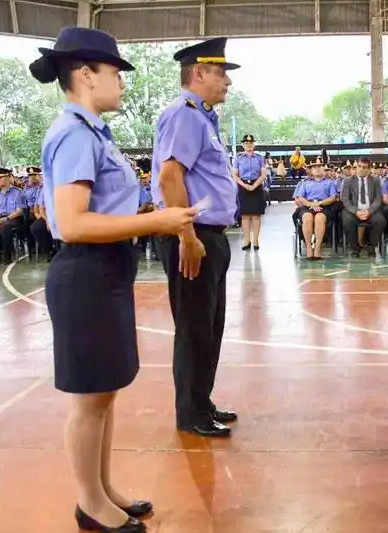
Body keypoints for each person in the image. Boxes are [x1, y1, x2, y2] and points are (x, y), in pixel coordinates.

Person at [31, 26, 196, 532]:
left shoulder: (91, 132)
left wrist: (144, 214)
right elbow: (73, 222)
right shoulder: (75, 134)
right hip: (85, 271)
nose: (121, 83)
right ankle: (89, 503)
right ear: (85, 74)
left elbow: (86, 207)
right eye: (114, 73)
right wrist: (156, 221)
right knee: (88, 400)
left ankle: (102, 490)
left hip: (104, 268)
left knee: (103, 392)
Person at [151, 37, 240, 438]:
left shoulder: (202, 117)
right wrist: (186, 235)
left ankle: (201, 401)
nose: (227, 82)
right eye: (221, 73)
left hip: (210, 235)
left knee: (209, 325)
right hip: (193, 235)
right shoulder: (184, 115)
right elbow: (171, 176)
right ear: (199, 72)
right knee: (194, 326)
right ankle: (191, 413)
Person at [341, 157, 386, 257]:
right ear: (356, 167)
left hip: (370, 210)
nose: (361, 169)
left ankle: (371, 245)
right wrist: (356, 212)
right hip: (354, 210)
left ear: (369, 169)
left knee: (379, 220)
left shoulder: (375, 181)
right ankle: (354, 247)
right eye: (359, 166)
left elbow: (378, 199)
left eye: (364, 167)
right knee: (347, 220)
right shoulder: (348, 181)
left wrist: (369, 211)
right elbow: (345, 200)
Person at [233, 134, 267, 251]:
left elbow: (263, 175)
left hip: (256, 186)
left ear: (254, 144)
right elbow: (235, 175)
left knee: (256, 215)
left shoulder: (259, 158)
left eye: (251, 143)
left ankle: (256, 240)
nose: (248, 145)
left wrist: (254, 185)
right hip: (243, 187)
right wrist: (244, 185)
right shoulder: (238, 158)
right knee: (245, 216)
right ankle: (247, 240)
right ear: (243, 145)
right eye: (246, 143)